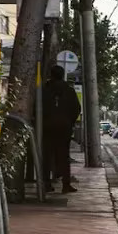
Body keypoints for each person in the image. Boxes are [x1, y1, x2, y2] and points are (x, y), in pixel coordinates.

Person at [43, 65, 81, 193]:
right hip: (64, 128)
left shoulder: (45, 90)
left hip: (47, 127)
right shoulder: (69, 90)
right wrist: (69, 122)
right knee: (64, 155)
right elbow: (76, 109)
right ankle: (66, 185)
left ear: (51, 75)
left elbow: (39, 107)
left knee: (47, 155)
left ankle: (46, 184)